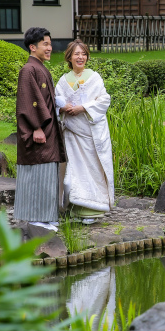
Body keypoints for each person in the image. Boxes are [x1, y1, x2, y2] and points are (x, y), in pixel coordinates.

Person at [55, 39, 114, 223]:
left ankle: (93, 209)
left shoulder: (94, 78)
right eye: (76, 54)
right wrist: (63, 108)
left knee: (91, 169)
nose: (80, 57)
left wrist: (84, 108)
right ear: (69, 57)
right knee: (74, 172)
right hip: (72, 133)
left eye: (83, 54)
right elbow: (55, 102)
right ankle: (74, 208)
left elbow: (104, 100)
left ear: (87, 57)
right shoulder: (63, 81)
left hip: (90, 134)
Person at [13, 27, 66, 231]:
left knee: (47, 169)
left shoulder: (39, 67)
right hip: (38, 129)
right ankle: (36, 218)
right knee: (37, 170)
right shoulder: (29, 69)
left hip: (47, 128)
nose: (50, 48)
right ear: (32, 47)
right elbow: (29, 101)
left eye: (50, 44)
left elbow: (43, 99)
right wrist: (36, 127)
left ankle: (46, 215)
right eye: (45, 44)